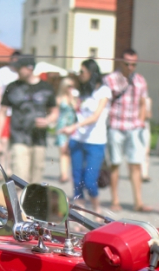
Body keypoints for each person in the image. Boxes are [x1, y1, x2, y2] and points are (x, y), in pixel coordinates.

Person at [0, 55, 57, 184]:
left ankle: (29, 204)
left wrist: (48, 121)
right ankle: (18, 204)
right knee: (20, 179)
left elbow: (54, 112)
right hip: (18, 138)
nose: (15, 71)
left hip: (39, 140)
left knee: (36, 180)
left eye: (18, 68)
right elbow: (2, 113)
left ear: (29, 69)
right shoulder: (12, 87)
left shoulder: (46, 88)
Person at [59, 59, 111, 212]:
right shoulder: (81, 91)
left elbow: (95, 117)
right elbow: (76, 112)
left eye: (82, 72)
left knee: (90, 180)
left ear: (91, 72)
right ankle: (79, 216)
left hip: (95, 140)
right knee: (77, 180)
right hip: (77, 139)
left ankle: (97, 210)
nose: (79, 75)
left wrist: (74, 127)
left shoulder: (103, 91)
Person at [104, 48, 150, 212]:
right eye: (127, 64)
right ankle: (115, 200)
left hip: (133, 127)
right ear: (120, 62)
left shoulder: (140, 80)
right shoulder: (110, 79)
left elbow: (143, 103)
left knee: (136, 164)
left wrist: (141, 121)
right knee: (115, 164)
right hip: (116, 126)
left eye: (133, 64)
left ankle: (138, 202)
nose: (130, 67)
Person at [0, 51, 21, 178]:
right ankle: (2, 168)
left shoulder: (21, 73)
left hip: (17, 113)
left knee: (12, 143)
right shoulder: (2, 72)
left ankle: (9, 168)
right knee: (3, 141)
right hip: (4, 112)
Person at [55, 77, 78, 183]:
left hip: (72, 125)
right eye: (69, 86)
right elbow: (56, 110)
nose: (70, 88)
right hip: (62, 125)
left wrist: (72, 97)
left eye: (72, 86)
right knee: (62, 150)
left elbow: (77, 107)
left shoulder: (74, 97)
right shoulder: (59, 97)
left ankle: (66, 172)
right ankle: (63, 173)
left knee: (68, 150)